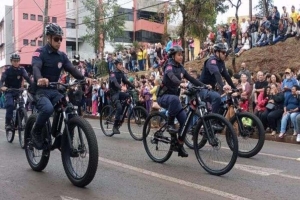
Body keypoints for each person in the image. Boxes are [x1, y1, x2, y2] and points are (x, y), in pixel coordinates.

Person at [31, 23, 91, 150]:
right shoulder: (40, 52)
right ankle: (35, 132)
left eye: (60, 39)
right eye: (56, 39)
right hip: (40, 91)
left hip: (54, 90)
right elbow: (36, 67)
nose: (59, 42)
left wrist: (84, 78)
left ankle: (61, 137)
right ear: (48, 38)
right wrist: (40, 79)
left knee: (68, 109)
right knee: (47, 109)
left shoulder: (62, 56)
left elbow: (72, 69)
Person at [157, 45, 209, 158]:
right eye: (179, 55)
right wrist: (180, 83)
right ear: (173, 55)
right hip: (163, 97)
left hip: (174, 100)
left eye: (182, 54)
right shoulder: (169, 66)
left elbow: (192, 79)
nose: (181, 57)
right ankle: (170, 123)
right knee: (175, 99)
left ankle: (179, 145)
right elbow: (171, 76)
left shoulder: (180, 68)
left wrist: (204, 85)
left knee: (186, 122)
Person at [199, 43, 236, 114]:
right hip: (202, 88)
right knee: (217, 97)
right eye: (223, 52)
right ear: (217, 52)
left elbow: (227, 76)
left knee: (224, 103)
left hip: (211, 89)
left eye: (225, 52)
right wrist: (223, 86)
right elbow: (217, 73)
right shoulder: (211, 61)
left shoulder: (221, 63)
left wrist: (234, 88)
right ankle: (213, 120)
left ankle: (219, 120)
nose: (225, 54)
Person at [0, 53, 32, 130]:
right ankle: (8, 123)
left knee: (22, 106)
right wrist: (2, 87)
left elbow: (27, 78)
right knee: (10, 105)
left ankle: (18, 123)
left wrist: (33, 85)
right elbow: (2, 80)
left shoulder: (22, 70)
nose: (16, 62)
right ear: (11, 61)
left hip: (18, 91)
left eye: (17, 61)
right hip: (9, 91)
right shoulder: (7, 70)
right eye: (14, 61)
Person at [109, 58, 135, 135]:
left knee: (128, 96)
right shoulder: (112, 73)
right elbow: (115, 83)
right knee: (119, 107)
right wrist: (121, 87)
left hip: (118, 92)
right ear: (116, 65)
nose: (121, 66)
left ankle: (120, 116)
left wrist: (134, 86)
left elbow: (126, 81)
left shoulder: (121, 73)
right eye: (120, 64)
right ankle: (115, 127)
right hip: (113, 94)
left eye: (121, 64)